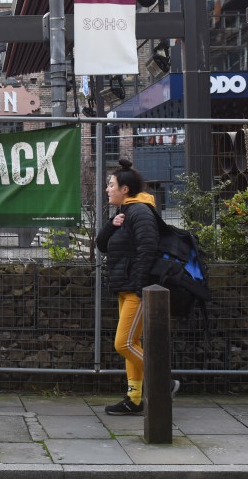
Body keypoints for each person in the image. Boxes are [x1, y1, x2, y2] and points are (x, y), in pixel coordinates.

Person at [95, 158, 179, 415]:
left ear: (125, 189)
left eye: (111, 185)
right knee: (131, 342)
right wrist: (111, 224)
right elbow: (101, 245)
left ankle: (164, 381)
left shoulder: (140, 212)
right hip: (126, 287)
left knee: (124, 344)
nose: (107, 189)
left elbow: (147, 250)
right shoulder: (126, 212)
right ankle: (133, 399)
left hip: (136, 289)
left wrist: (140, 287)